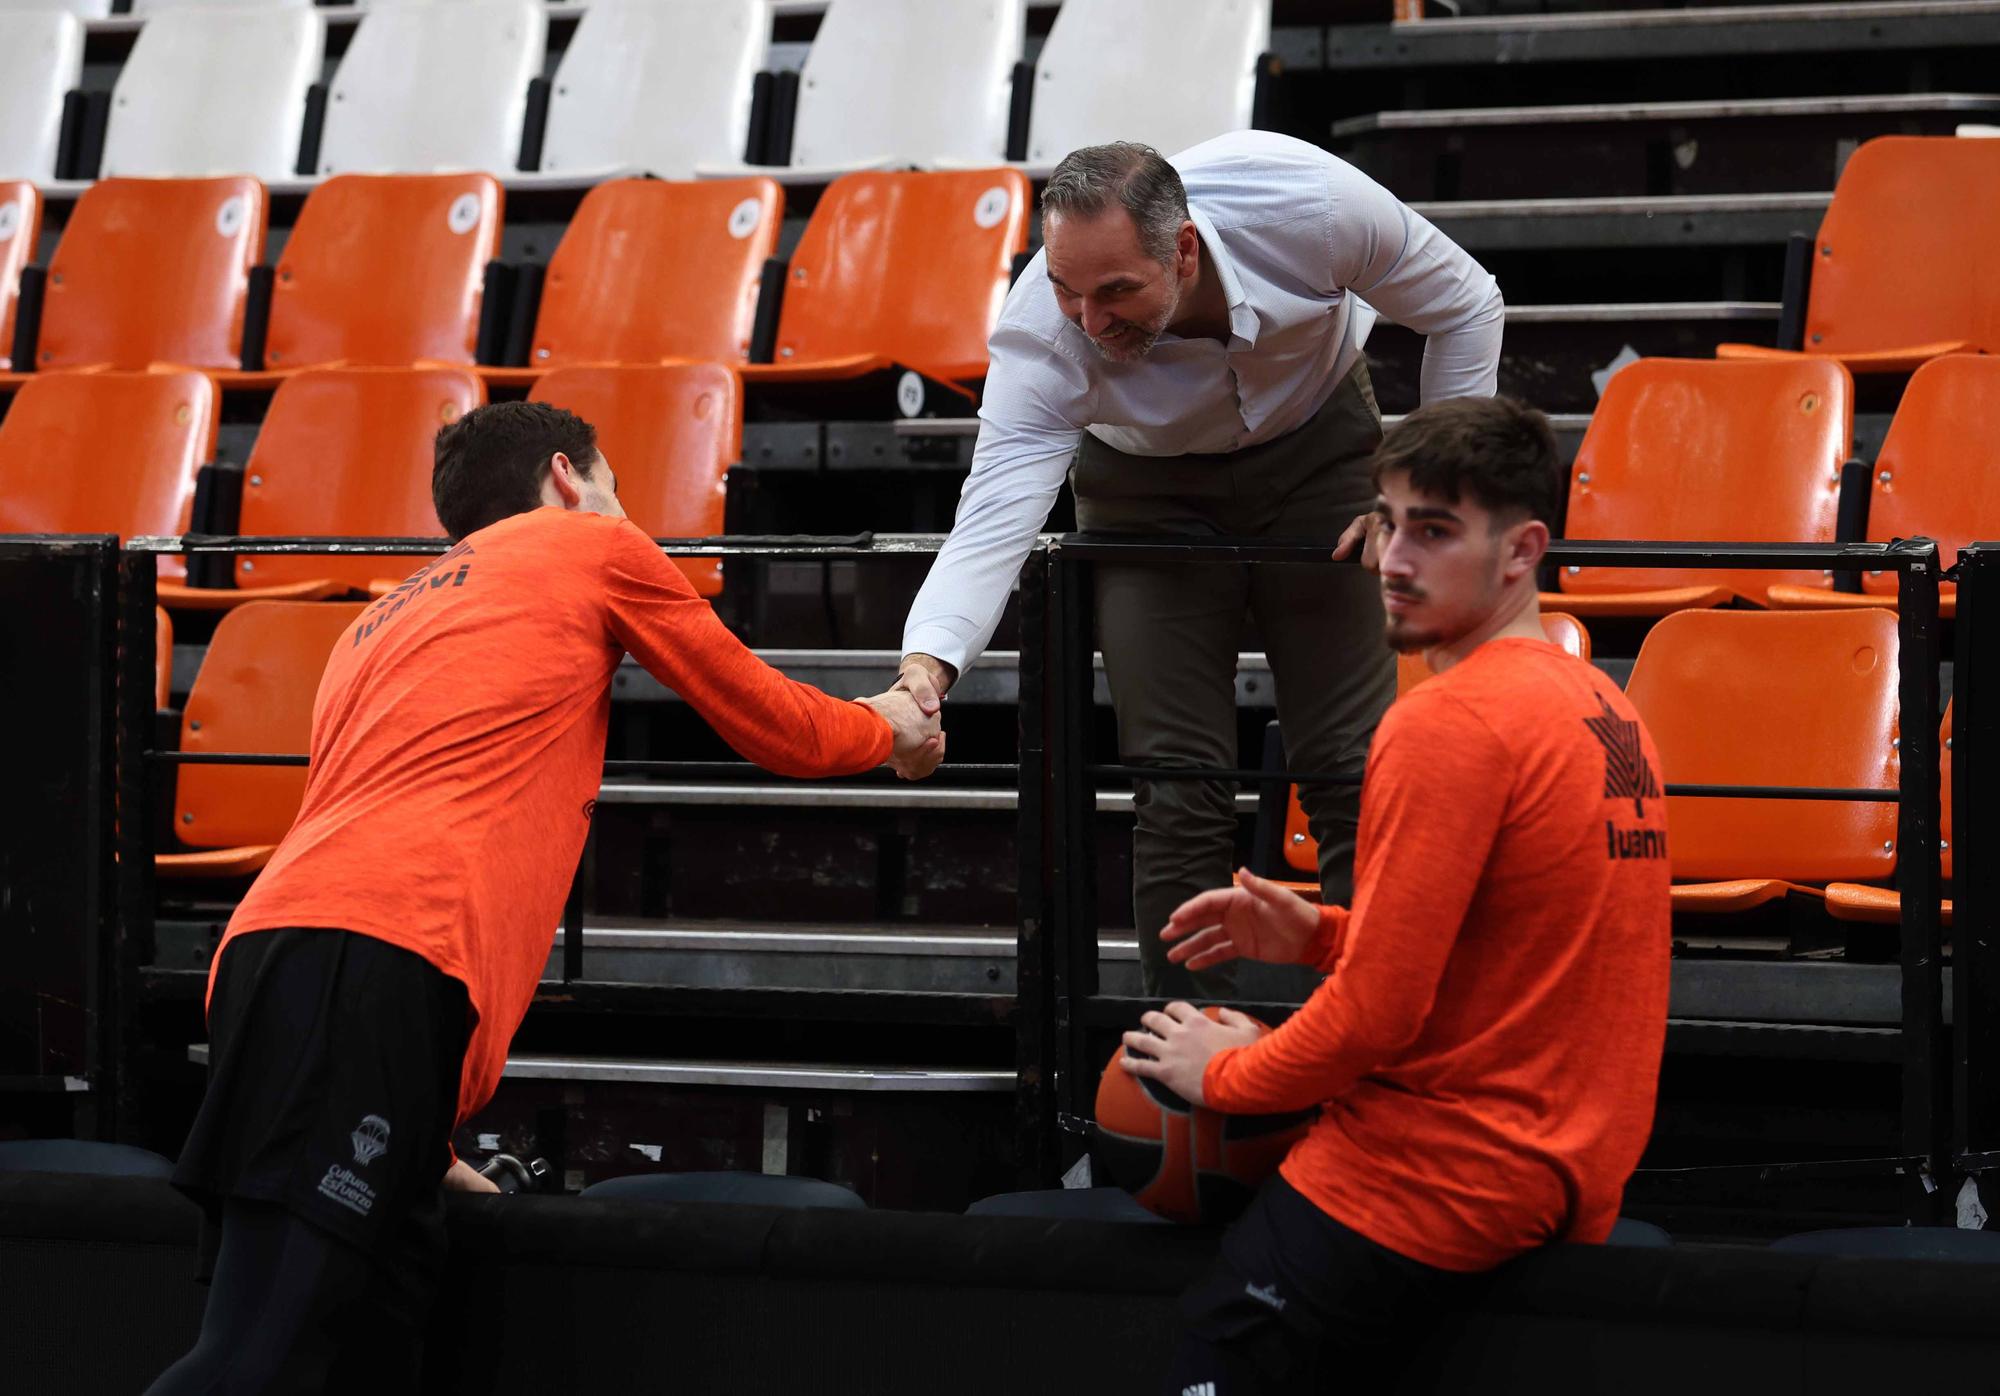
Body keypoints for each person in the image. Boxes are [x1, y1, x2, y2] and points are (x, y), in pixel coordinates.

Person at [147, 402, 943, 1394]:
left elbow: (383, 813)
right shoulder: (585, 546)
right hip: (371, 963)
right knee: (261, 1353)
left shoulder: (380, 619)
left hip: (276, 960)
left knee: (369, 1347)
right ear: (567, 478)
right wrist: (885, 727)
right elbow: (774, 723)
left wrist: (419, 1128)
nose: (622, 510)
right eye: (613, 486)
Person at [1119, 397, 1671, 1394]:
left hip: (1426, 1178)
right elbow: (1531, 949)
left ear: (1521, 551)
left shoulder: (1444, 723)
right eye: (1384, 520)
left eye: (1433, 530)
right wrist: (1327, 932)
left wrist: (1226, 1073)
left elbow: (1378, 1014)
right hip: (1558, 1176)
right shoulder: (1603, 710)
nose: (1392, 558)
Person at [894, 132, 1504, 1000]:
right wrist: (927, 668)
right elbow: (994, 510)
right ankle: (1191, 1083)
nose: (1091, 322)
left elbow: (1467, 305)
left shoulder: (1312, 206)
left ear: (1183, 249)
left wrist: (1425, 502)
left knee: (1354, 769)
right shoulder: (1046, 330)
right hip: (1143, 490)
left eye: (1116, 292)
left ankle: (1388, 1042)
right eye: (1068, 291)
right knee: (1178, 778)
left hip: (1321, 453)